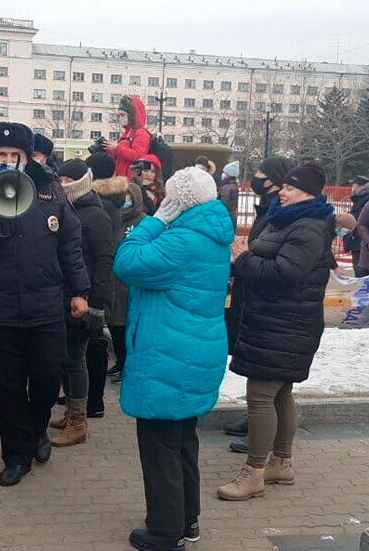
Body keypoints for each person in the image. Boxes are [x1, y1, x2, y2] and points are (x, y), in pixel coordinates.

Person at [0, 122, 89, 487]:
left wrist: (79, 291)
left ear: (27, 157)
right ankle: (16, 456)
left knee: (45, 379)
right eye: (1, 155)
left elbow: (70, 244)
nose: (9, 161)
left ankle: (37, 430)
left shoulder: (49, 189)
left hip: (45, 304)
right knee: (9, 388)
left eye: (16, 156)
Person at [114, 167, 234, 551]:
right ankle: (187, 521)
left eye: (169, 198)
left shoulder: (180, 240)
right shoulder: (210, 235)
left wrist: (155, 219)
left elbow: (127, 261)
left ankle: (165, 531)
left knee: (160, 447)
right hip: (193, 351)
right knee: (183, 443)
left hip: (168, 355)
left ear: (178, 202)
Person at [218, 161, 334, 502]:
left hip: (286, 325)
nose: (282, 191)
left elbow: (285, 273)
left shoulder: (308, 226)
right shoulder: (289, 220)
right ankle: (281, 463)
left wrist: (243, 260)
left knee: (260, 396)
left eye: (290, 188)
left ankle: (254, 472)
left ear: (308, 194)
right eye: (283, 186)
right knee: (281, 393)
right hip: (277, 320)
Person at [223, 155, 295, 448]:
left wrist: (243, 257)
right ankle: (256, 421)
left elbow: (279, 265)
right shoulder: (268, 210)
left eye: (262, 175)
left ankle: (262, 439)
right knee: (267, 382)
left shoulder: (283, 216)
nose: (255, 180)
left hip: (271, 306)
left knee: (269, 385)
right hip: (256, 296)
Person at [51, 161, 114, 447]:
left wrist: (94, 300)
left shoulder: (96, 215)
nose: (62, 184)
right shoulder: (66, 209)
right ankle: (71, 412)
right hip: (65, 295)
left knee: (75, 358)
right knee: (65, 357)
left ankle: (79, 422)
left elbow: (104, 260)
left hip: (84, 298)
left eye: (68, 179)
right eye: (60, 178)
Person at [84, 151, 127, 417]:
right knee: (93, 339)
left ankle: (92, 399)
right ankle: (88, 397)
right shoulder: (115, 199)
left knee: (93, 340)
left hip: (97, 275)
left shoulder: (100, 204)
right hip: (106, 275)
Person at [107, 183, 147, 381]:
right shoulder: (112, 219)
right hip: (111, 282)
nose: (125, 201)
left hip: (129, 284)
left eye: (128, 196)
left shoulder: (144, 222)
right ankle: (120, 362)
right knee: (114, 325)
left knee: (127, 327)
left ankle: (128, 367)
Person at [102, 95, 151, 180]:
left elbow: (138, 155)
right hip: (122, 178)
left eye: (123, 115)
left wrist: (117, 148)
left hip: (131, 180)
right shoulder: (127, 132)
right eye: (119, 115)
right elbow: (121, 156)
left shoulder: (141, 133)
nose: (120, 118)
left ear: (132, 115)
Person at [343, 176, 369, 271]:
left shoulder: (366, 199)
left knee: (361, 269)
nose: (352, 187)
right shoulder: (363, 198)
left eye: (354, 185)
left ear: (360, 186)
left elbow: (362, 218)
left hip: (361, 238)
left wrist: (349, 218)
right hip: (360, 238)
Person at [219, 160, 240, 230]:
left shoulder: (226, 187)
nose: (223, 174)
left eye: (225, 173)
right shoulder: (234, 185)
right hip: (232, 215)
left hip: (226, 215)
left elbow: (224, 202)